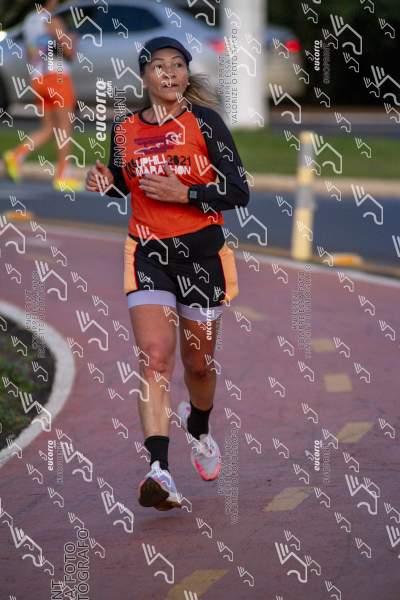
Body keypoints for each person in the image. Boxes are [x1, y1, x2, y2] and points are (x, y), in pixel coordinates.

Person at [85, 36, 250, 511]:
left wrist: (188, 194)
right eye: (160, 65)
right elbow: (123, 185)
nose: (171, 73)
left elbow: (239, 191)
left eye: (178, 65)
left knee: (199, 365)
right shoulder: (124, 129)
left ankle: (198, 425)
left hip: (201, 256)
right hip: (148, 254)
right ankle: (159, 469)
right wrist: (104, 182)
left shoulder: (205, 123)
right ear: (144, 75)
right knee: (155, 359)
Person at [2, 0, 80, 190]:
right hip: (58, 78)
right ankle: (62, 175)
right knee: (64, 128)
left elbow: (31, 54)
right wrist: (71, 40)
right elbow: (69, 52)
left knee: (49, 128)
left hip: (39, 79)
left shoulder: (29, 21)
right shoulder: (53, 21)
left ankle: (16, 155)